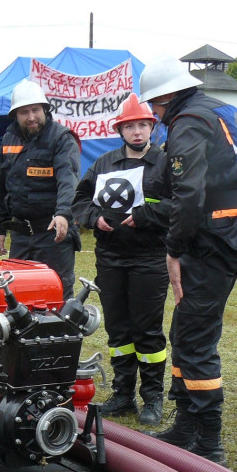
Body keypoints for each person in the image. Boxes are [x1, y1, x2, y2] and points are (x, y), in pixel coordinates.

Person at [139, 56, 237, 465]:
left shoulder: (188, 121)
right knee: (186, 329)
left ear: (166, 95)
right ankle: (186, 425)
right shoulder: (221, 110)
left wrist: (174, 248)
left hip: (211, 239)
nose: (154, 116)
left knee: (194, 338)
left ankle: (209, 441)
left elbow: (189, 193)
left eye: (154, 107)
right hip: (234, 231)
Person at [72, 94, 172, 426]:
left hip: (149, 258)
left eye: (143, 125)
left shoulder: (164, 162)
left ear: (152, 128)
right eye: (130, 126)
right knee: (118, 330)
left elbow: (179, 205)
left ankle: (153, 397)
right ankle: (123, 393)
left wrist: (147, 215)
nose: (137, 132)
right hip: (110, 258)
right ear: (120, 130)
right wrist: (92, 217)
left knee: (147, 331)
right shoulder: (104, 164)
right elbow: (80, 200)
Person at [0, 80, 81, 300]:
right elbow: (4, 186)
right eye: (24, 112)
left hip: (53, 235)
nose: (31, 117)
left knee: (56, 293)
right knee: (17, 293)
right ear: (16, 115)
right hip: (20, 236)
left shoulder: (62, 138)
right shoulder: (9, 138)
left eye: (35, 110)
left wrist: (63, 214)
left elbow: (68, 181)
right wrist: (0, 228)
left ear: (45, 109)